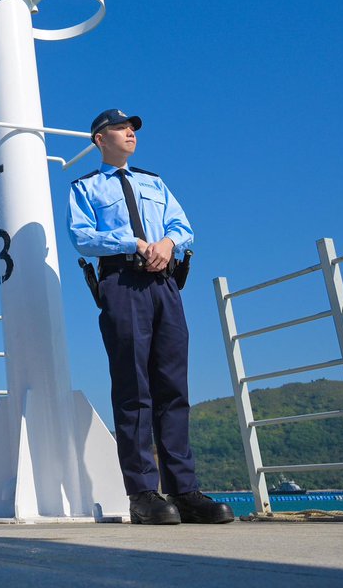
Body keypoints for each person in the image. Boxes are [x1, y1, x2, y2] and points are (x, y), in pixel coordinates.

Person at [67, 109, 234, 525]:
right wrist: (134, 242)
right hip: (121, 283)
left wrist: (168, 241)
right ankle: (143, 493)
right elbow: (81, 236)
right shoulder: (85, 187)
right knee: (133, 388)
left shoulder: (154, 182)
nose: (131, 133)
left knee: (173, 387)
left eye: (133, 129)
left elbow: (183, 225)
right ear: (99, 139)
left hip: (165, 287)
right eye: (122, 129)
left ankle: (185, 490)